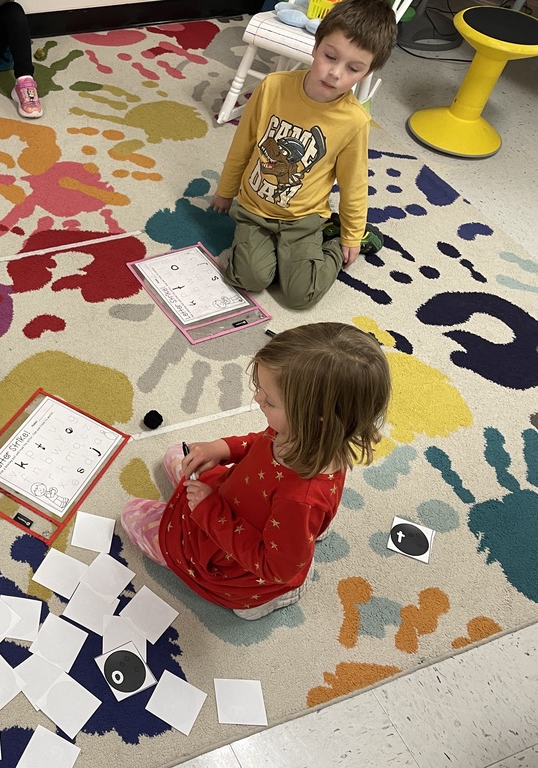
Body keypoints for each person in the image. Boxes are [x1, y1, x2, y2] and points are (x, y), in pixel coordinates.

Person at [121, 323, 390, 620]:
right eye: (260, 389)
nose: (258, 399)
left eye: (270, 401)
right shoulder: (306, 432)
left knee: (133, 516)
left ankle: (267, 600)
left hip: (243, 562)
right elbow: (260, 443)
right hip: (241, 498)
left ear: (318, 417)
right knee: (180, 455)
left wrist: (209, 509)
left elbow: (275, 567)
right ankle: (306, 537)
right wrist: (223, 448)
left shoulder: (299, 499)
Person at [210, 0, 398, 309]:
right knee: (249, 278)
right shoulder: (272, 87)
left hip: (304, 219)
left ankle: (332, 237)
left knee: (300, 297)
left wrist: (351, 236)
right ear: (316, 46)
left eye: (353, 68)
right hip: (255, 210)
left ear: (369, 71)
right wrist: (225, 191)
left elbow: (354, 184)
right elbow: (242, 144)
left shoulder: (354, 121)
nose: (336, 73)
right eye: (330, 56)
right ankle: (273, 254)